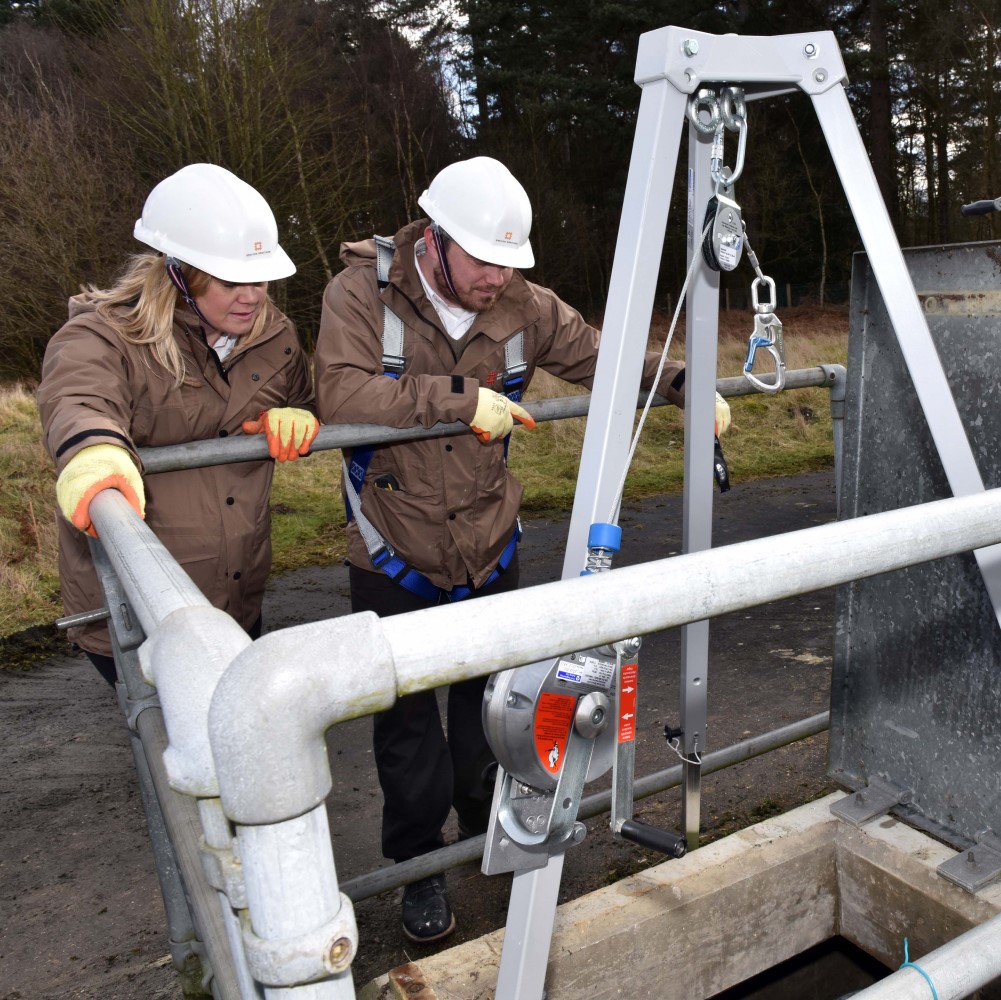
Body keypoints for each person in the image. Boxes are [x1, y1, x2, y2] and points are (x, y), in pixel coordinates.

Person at [313, 155, 730, 942]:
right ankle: (417, 869)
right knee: (408, 734)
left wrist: (679, 380)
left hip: (487, 541)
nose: (495, 279)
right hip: (391, 548)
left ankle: (488, 836)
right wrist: (461, 402)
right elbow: (339, 392)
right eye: (482, 259)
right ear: (433, 240)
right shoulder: (360, 295)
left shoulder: (522, 303)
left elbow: (599, 357)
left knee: (495, 711)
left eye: (509, 263)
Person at [37, 163, 319, 688]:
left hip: (237, 598)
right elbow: (79, 395)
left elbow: (311, 399)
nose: (253, 295)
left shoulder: (274, 336)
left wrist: (301, 412)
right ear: (178, 273)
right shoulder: (103, 337)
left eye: (260, 278)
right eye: (231, 279)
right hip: (141, 611)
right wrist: (95, 450)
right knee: (176, 753)